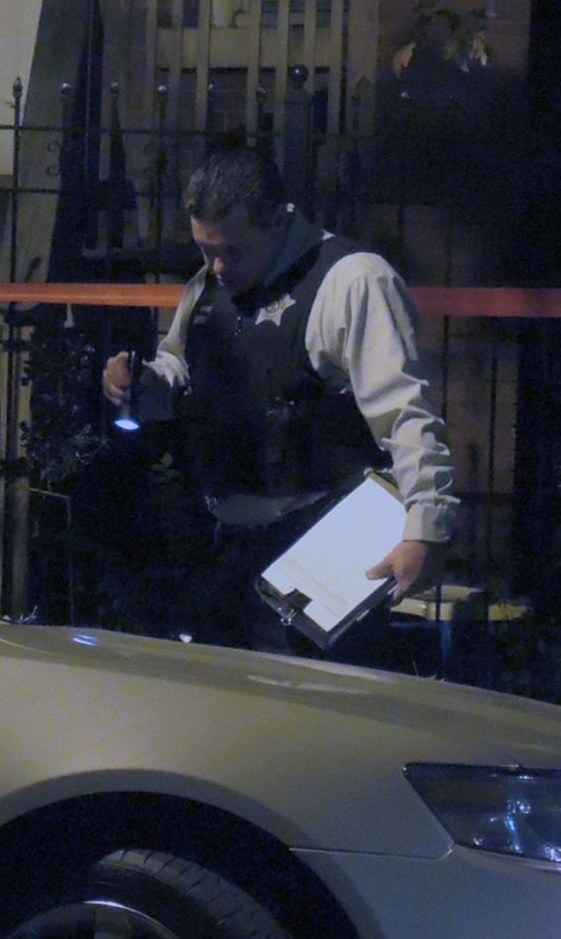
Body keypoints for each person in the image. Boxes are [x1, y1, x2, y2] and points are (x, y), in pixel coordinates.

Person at [102, 148, 455, 651]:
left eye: (234, 250)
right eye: (205, 249)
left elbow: (407, 414)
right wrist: (138, 383)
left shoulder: (353, 282)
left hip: (320, 546)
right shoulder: (207, 286)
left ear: (279, 220)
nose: (217, 266)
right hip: (224, 546)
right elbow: (182, 372)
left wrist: (426, 530)